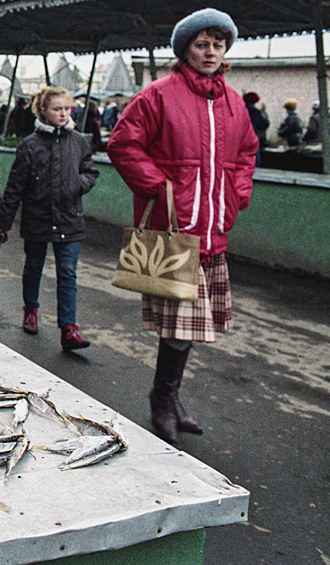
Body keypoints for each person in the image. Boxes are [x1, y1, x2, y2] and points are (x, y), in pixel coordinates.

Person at [107, 8, 258, 444]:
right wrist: (160, 187)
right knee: (179, 325)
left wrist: (238, 193)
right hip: (174, 228)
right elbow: (123, 143)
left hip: (212, 227)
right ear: (185, 50)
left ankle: (168, 398)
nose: (211, 52)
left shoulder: (233, 102)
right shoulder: (159, 94)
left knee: (186, 326)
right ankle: (163, 400)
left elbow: (247, 151)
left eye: (218, 44)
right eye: (201, 44)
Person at [0, 86, 99, 352]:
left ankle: (69, 329)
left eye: (67, 109)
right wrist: (3, 222)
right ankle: (31, 310)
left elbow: (91, 172)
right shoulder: (29, 145)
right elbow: (14, 186)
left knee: (68, 273)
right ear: (43, 111)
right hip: (37, 219)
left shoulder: (78, 141)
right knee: (33, 268)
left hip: (69, 219)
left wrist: (79, 184)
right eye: (57, 109)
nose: (63, 114)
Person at [243, 92, 269, 166]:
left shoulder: (239, 109)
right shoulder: (255, 112)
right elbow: (264, 124)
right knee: (254, 159)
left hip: (239, 137)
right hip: (252, 136)